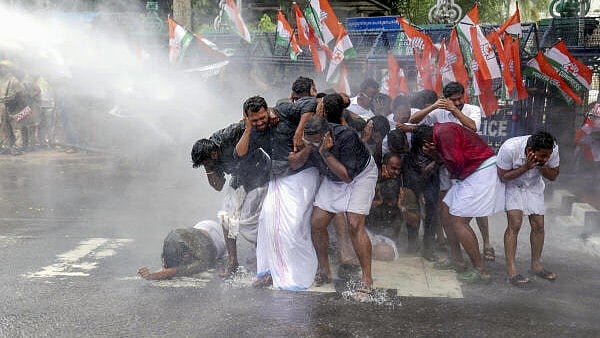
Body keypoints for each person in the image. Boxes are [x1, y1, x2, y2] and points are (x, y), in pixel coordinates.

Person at [236, 79, 319, 290]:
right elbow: (240, 153)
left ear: (267, 110)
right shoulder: (252, 129)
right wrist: (247, 129)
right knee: (266, 222)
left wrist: (299, 131)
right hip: (279, 178)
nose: (259, 122)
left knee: (290, 226)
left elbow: (311, 103)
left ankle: (296, 273)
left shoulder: (283, 109)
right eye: (254, 120)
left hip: (302, 173)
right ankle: (268, 271)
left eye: (262, 117)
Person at [290, 102, 377, 297]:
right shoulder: (309, 141)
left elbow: (347, 177)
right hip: (333, 177)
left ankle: (367, 279)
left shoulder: (346, 137)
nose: (312, 144)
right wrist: (308, 148)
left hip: (359, 176)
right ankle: (324, 270)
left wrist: (325, 152)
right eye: (309, 140)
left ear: (327, 134)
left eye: (316, 141)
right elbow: (294, 164)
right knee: (317, 223)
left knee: (355, 224)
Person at [411, 82, 494, 263]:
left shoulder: (472, 109)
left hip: (470, 165)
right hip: (446, 164)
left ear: (464, 96)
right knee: (445, 208)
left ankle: (487, 243)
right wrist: (434, 106)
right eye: (453, 100)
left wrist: (455, 111)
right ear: (445, 99)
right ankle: (453, 251)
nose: (457, 103)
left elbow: (472, 127)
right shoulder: (439, 111)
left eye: (459, 99)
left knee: (477, 209)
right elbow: (414, 121)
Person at [412, 123, 505, 283]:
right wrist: (437, 154)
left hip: (479, 171)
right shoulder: (441, 132)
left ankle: (481, 270)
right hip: (469, 173)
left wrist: (436, 154)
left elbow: (457, 164)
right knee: (445, 212)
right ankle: (458, 261)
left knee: (458, 221)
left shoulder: (444, 133)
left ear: (427, 143)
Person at [191, 97, 272, 278]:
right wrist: (208, 169)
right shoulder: (209, 159)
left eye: (207, 162)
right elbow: (218, 186)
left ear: (214, 153)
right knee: (228, 218)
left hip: (260, 173)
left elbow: (252, 119)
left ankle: (265, 260)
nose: (207, 165)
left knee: (250, 221)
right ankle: (233, 261)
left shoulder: (229, 134)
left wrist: (272, 113)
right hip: (240, 178)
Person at [496, 131, 560, 286]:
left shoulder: (553, 149)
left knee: (539, 225)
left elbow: (553, 176)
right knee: (515, 224)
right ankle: (512, 270)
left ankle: (536, 265)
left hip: (533, 186)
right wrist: (526, 167)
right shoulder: (510, 148)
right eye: (543, 155)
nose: (547, 158)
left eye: (548, 155)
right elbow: (503, 176)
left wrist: (542, 165)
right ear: (530, 150)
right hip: (513, 185)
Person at [137, 220, 226, 280]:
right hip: (203, 225)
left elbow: (180, 270)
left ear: (186, 256)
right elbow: (168, 267)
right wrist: (155, 273)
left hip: (219, 236)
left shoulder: (205, 252)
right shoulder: (173, 240)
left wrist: (153, 275)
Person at [367, 153, 420, 251]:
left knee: (384, 252)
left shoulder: (405, 193)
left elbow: (415, 222)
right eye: (393, 168)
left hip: (391, 240)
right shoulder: (372, 187)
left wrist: (402, 208)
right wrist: (376, 203)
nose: (396, 172)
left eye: (398, 169)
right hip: (370, 233)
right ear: (384, 167)